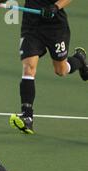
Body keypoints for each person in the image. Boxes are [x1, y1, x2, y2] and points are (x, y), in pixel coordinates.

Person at [9, 0, 88, 134]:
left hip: (55, 26)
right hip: (32, 25)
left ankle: (79, 60)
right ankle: (27, 117)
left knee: (61, 70)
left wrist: (56, 6)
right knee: (29, 67)